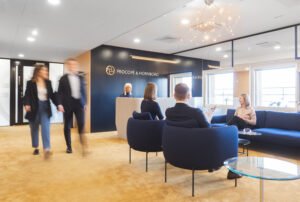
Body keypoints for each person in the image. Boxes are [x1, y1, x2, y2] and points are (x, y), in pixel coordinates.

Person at [166, 83, 240, 180]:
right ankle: (232, 172)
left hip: (176, 151)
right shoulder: (195, 112)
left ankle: (213, 164)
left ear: (174, 95)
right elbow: (208, 129)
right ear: (189, 95)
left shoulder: (168, 112)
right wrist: (208, 116)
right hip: (198, 150)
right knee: (232, 132)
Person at [23, 64, 57, 159]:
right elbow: (27, 95)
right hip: (34, 108)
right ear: (38, 71)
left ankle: (47, 149)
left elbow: (52, 95)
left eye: (46, 70)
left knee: (45, 128)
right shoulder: (30, 83)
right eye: (44, 70)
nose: (46, 72)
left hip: (45, 107)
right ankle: (36, 147)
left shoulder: (48, 82)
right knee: (34, 129)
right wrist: (26, 104)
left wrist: (59, 104)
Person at [57, 58, 87, 154]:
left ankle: (82, 144)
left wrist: (85, 103)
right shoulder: (63, 78)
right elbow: (59, 93)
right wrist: (60, 104)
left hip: (79, 104)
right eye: (70, 65)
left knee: (81, 124)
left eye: (74, 65)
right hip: (67, 104)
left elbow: (83, 91)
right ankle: (69, 147)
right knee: (67, 126)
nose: (72, 66)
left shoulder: (81, 77)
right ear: (67, 66)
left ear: (76, 66)